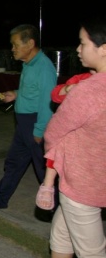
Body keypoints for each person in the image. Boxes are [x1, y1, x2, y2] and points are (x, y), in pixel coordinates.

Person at [21, 12, 106, 258]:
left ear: (103, 49)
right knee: (62, 235)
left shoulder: (88, 91)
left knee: (93, 257)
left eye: (83, 43)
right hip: (96, 178)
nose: (78, 49)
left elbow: (54, 132)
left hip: (83, 182)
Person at [0, 24, 57, 209]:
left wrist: (39, 131)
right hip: (23, 124)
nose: (12, 49)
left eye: (15, 44)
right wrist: (15, 94)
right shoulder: (29, 64)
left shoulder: (44, 67)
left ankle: (59, 208)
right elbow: (33, 91)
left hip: (35, 123)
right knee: (14, 162)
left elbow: (47, 101)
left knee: (43, 169)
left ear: (30, 44)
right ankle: (0, 198)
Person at [35, 69, 95, 211]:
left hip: (91, 146)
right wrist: (68, 89)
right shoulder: (82, 78)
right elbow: (55, 95)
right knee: (59, 144)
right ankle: (48, 184)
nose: (79, 55)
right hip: (74, 137)